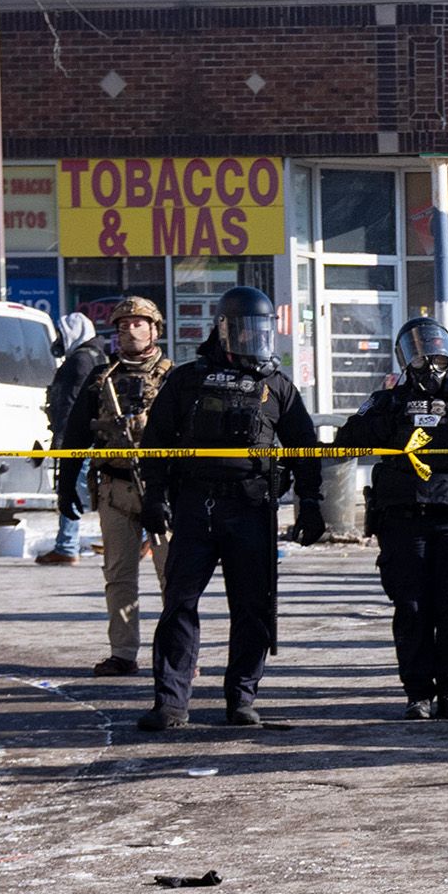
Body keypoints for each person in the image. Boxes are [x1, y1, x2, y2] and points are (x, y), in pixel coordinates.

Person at [136, 283, 318, 732]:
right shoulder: (187, 379)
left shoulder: (276, 385)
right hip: (196, 506)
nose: (252, 340)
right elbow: (155, 441)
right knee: (179, 603)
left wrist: (312, 503)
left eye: (260, 331)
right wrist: (154, 496)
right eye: (242, 330)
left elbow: (305, 446)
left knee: (253, 606)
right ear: (222, 330)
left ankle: (241, 697)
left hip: (252, 506)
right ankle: (172, 703)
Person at [336, 318, 448, 719]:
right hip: (403, 517)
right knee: (411, 605)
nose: (429, 366)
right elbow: (347, 441)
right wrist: (392, 412)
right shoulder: (388, 401)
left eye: (435, 355)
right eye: (419, 356)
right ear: (404, 360)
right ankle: (418, 691)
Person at [53, 296, 168, 676]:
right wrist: (66, 483)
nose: (129, 330)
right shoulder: (101, 378)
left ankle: (178, 655)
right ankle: (123, 653)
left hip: (165, 492)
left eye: (138, 323)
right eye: (122, 325)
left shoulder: (175, 377)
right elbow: (75, 435)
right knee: (119, 577)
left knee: (174, 578)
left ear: (155, 329)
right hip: (115, 490)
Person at [36, 312, 107, 565]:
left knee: (75, 489)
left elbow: (70, 402)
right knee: (87, 488)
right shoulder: (95, 356)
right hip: (90, 433)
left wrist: (64, 435)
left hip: (77, 437)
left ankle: (66, 546)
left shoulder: (80, 360)